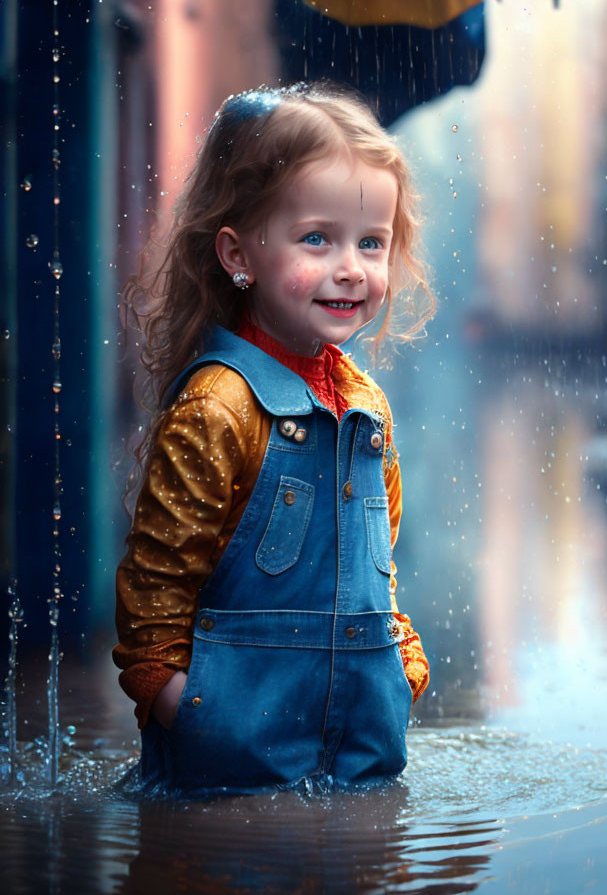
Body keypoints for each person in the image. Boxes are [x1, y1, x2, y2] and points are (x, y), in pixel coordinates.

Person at [113, 82, 434, 796]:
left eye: (371, 242)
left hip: (359, 770)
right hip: (226, 784)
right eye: (316, 238)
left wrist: (400, 670)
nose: (350, 267)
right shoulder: (217, 408)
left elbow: (375, 574)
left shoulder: (367, 406)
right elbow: (152, 605)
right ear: (240, 253)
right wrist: (196, 714)